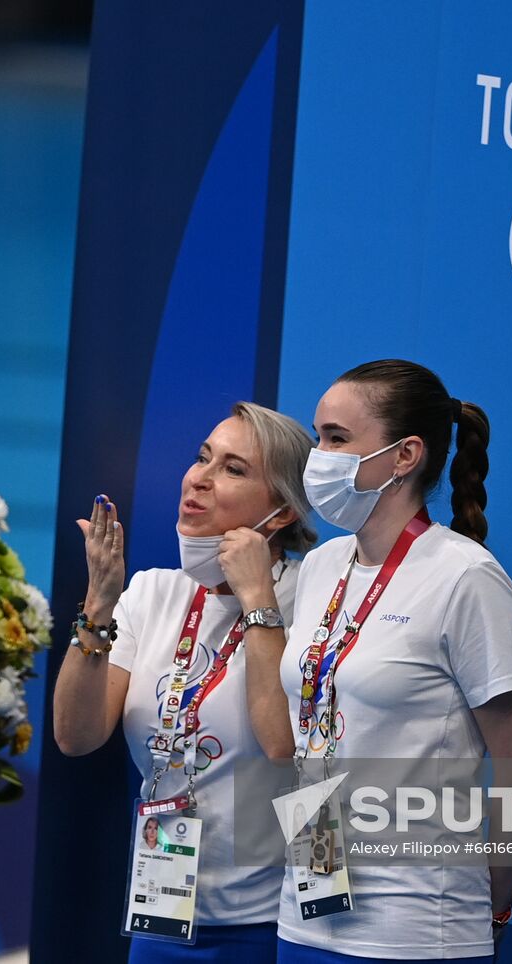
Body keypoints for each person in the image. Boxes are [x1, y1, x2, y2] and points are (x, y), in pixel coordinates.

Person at [277, 360, 512, 963]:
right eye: (318, 435)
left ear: (405, 456)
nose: (317, 455)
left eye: (337, 439)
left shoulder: (466, 577)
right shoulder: (322, 566)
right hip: (301, 918)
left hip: (419, 931)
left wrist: (493, 908)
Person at [54, 401, 318, 963]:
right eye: (203, 458)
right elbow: (76, 736)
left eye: (233, 469)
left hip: (275, 924)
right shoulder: (153, 592)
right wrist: (98, 606)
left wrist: (255, 600)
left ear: (283, 511)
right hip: (163, 913)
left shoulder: (314, 599)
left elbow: (286, 746)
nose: (199, 478)